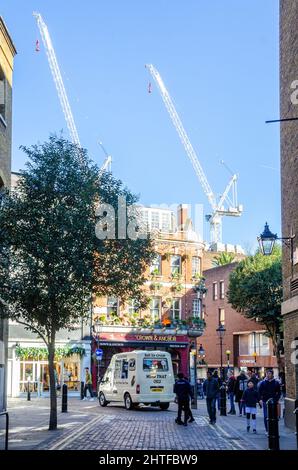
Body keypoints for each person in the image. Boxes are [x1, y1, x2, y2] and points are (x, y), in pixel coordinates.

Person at [258, 369, 281, 433]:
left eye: (269, 373)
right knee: (266, 416)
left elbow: (279, 392)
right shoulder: (263, 383)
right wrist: (260, 400)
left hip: (273, 402)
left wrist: (276, 399)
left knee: (274, 417)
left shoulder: (276, 383)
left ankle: (273, 429)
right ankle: (267, 430)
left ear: (272, 374)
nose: (268, 375)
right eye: (267, 373)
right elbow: (259, 392)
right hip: (265, 401)